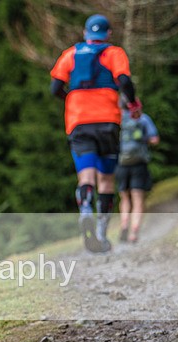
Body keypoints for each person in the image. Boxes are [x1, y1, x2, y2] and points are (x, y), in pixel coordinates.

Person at [50, 14, 142, 253]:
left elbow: (55, 87)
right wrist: (133, 104)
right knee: (107, 180)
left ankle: (85, 210)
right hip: (107, 122)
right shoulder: (114, 53)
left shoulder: (70, 54)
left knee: (86, 177)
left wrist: (71, 98)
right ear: (108, 34)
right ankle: (101, 232)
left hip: (78, 122)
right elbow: (124, 81)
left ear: (85, 33)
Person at [116, 104, 160, 243]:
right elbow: (155, 139)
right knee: (138, 198)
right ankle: (134, 232)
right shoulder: (143, 119)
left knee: (124, 198)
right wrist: (142, 138)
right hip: (139, 164)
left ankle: (124, 225)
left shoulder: (118, 119)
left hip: (121, 163)